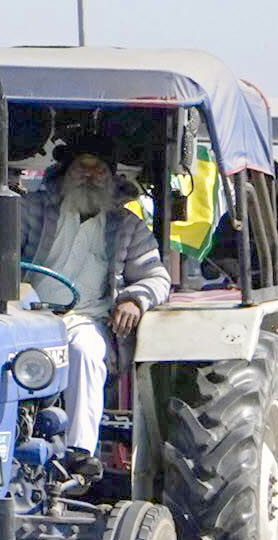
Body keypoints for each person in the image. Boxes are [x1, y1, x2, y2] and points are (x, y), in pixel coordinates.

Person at [22, 135, 170, 459]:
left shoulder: (128, 225)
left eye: (98, 169)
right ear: (65, 173)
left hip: (85, 319)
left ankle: (79, 455)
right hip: (25, 316)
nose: (89, 176)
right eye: (81, 168)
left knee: (85, 351)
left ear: (111, 178)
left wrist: (134, 300)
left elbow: (157, 277)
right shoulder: (31, 210)